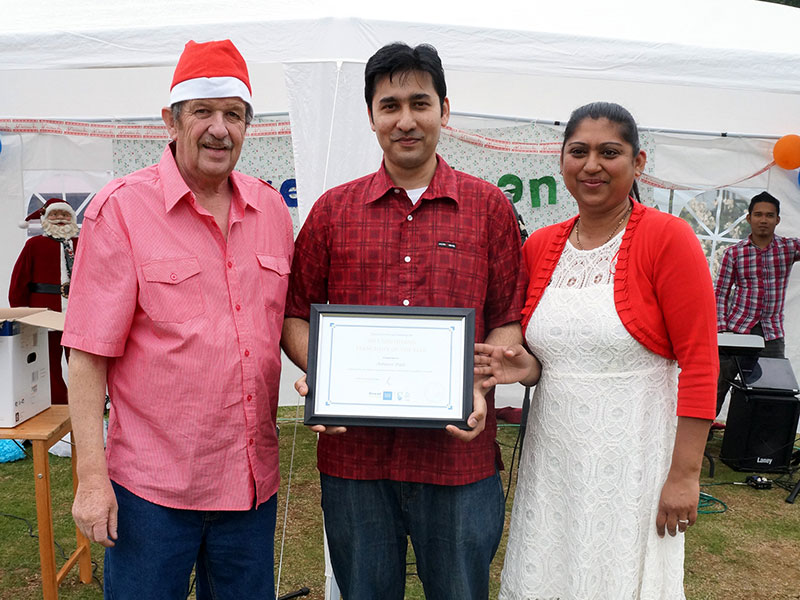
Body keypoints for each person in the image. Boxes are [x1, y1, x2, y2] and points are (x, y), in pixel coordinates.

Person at [281, 42, 525, 600]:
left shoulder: (489, 209)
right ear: (371, 116)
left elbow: (507, 318)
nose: (406, 120)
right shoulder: (332, 212)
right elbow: (295, 315)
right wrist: (324, 373)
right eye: (390, 106)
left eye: (420, 103)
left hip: (458, 457)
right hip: (355, 459)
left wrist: (481, 382)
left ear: (444, 109)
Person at [62, 39, 293, 600]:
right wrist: (92, 478)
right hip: (152, 494)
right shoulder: (120, 209)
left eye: (234, 114)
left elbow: (285, 325)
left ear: (247, 125)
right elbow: (88, 355)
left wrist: (334, 379)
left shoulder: (272, 212)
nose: (220, 129)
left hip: (249, 488)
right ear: (171, 119)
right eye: (204, 112)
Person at [474, 102, 718, 599]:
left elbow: (700, 363)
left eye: (610, 152)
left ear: (638, 162)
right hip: (554, 460)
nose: (592, 165)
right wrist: (527, 368)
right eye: (578, 152)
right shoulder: (540, 246)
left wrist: (684, 476)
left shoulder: (668, 238)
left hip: (633, 459)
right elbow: (549, 357)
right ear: (561, 160)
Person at [715, 191, 800, 414]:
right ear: (749, 218)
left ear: (777, 220)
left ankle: (761, 445)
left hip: (771, 334)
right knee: (717, 387)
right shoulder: (734, 253)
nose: (764, 220)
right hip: (736, 332)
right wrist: (722, 330)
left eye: (770, 215)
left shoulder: (789, 248)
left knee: (772, 391)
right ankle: (699, 439)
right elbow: (721, 293)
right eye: (759, 214)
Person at [9, 198, 80, 404]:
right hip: (45, 315)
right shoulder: (34, 245)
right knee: (46, 365)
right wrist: (22, 315)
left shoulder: (82, 243)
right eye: (54, 215)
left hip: (77, 314)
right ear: (45, 219)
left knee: (80, 363)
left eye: (65, 215)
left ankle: (83, 402)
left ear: (73, 219)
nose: (60, 219)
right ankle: (57, 404)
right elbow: (19, 283)